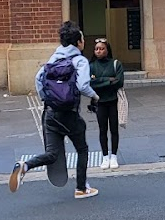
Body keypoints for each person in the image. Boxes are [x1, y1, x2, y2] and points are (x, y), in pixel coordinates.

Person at [8, 21, 99, 200]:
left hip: (50, 113)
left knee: (52, 154)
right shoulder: (80, 60)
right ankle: (81, 188)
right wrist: (95, 97)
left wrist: (47, 99)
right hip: (70, 115)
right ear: (79, 42)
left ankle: (25, 165)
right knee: (82, 149)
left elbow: (38, 79)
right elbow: (82, 86)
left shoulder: (53, 59)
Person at [89, 37, 124, 169]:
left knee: (114, 129)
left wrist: (100, 81)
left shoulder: (116, 64)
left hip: (114, 101)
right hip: (100, 102)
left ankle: (114, 156)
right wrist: (109, 80)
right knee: (102, 130)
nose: (99, 51)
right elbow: (90, 84)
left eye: (102, 48)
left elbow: (119, 82)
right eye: (97, 49)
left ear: (107, 50)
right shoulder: (91, 66)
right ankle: (105, 156)